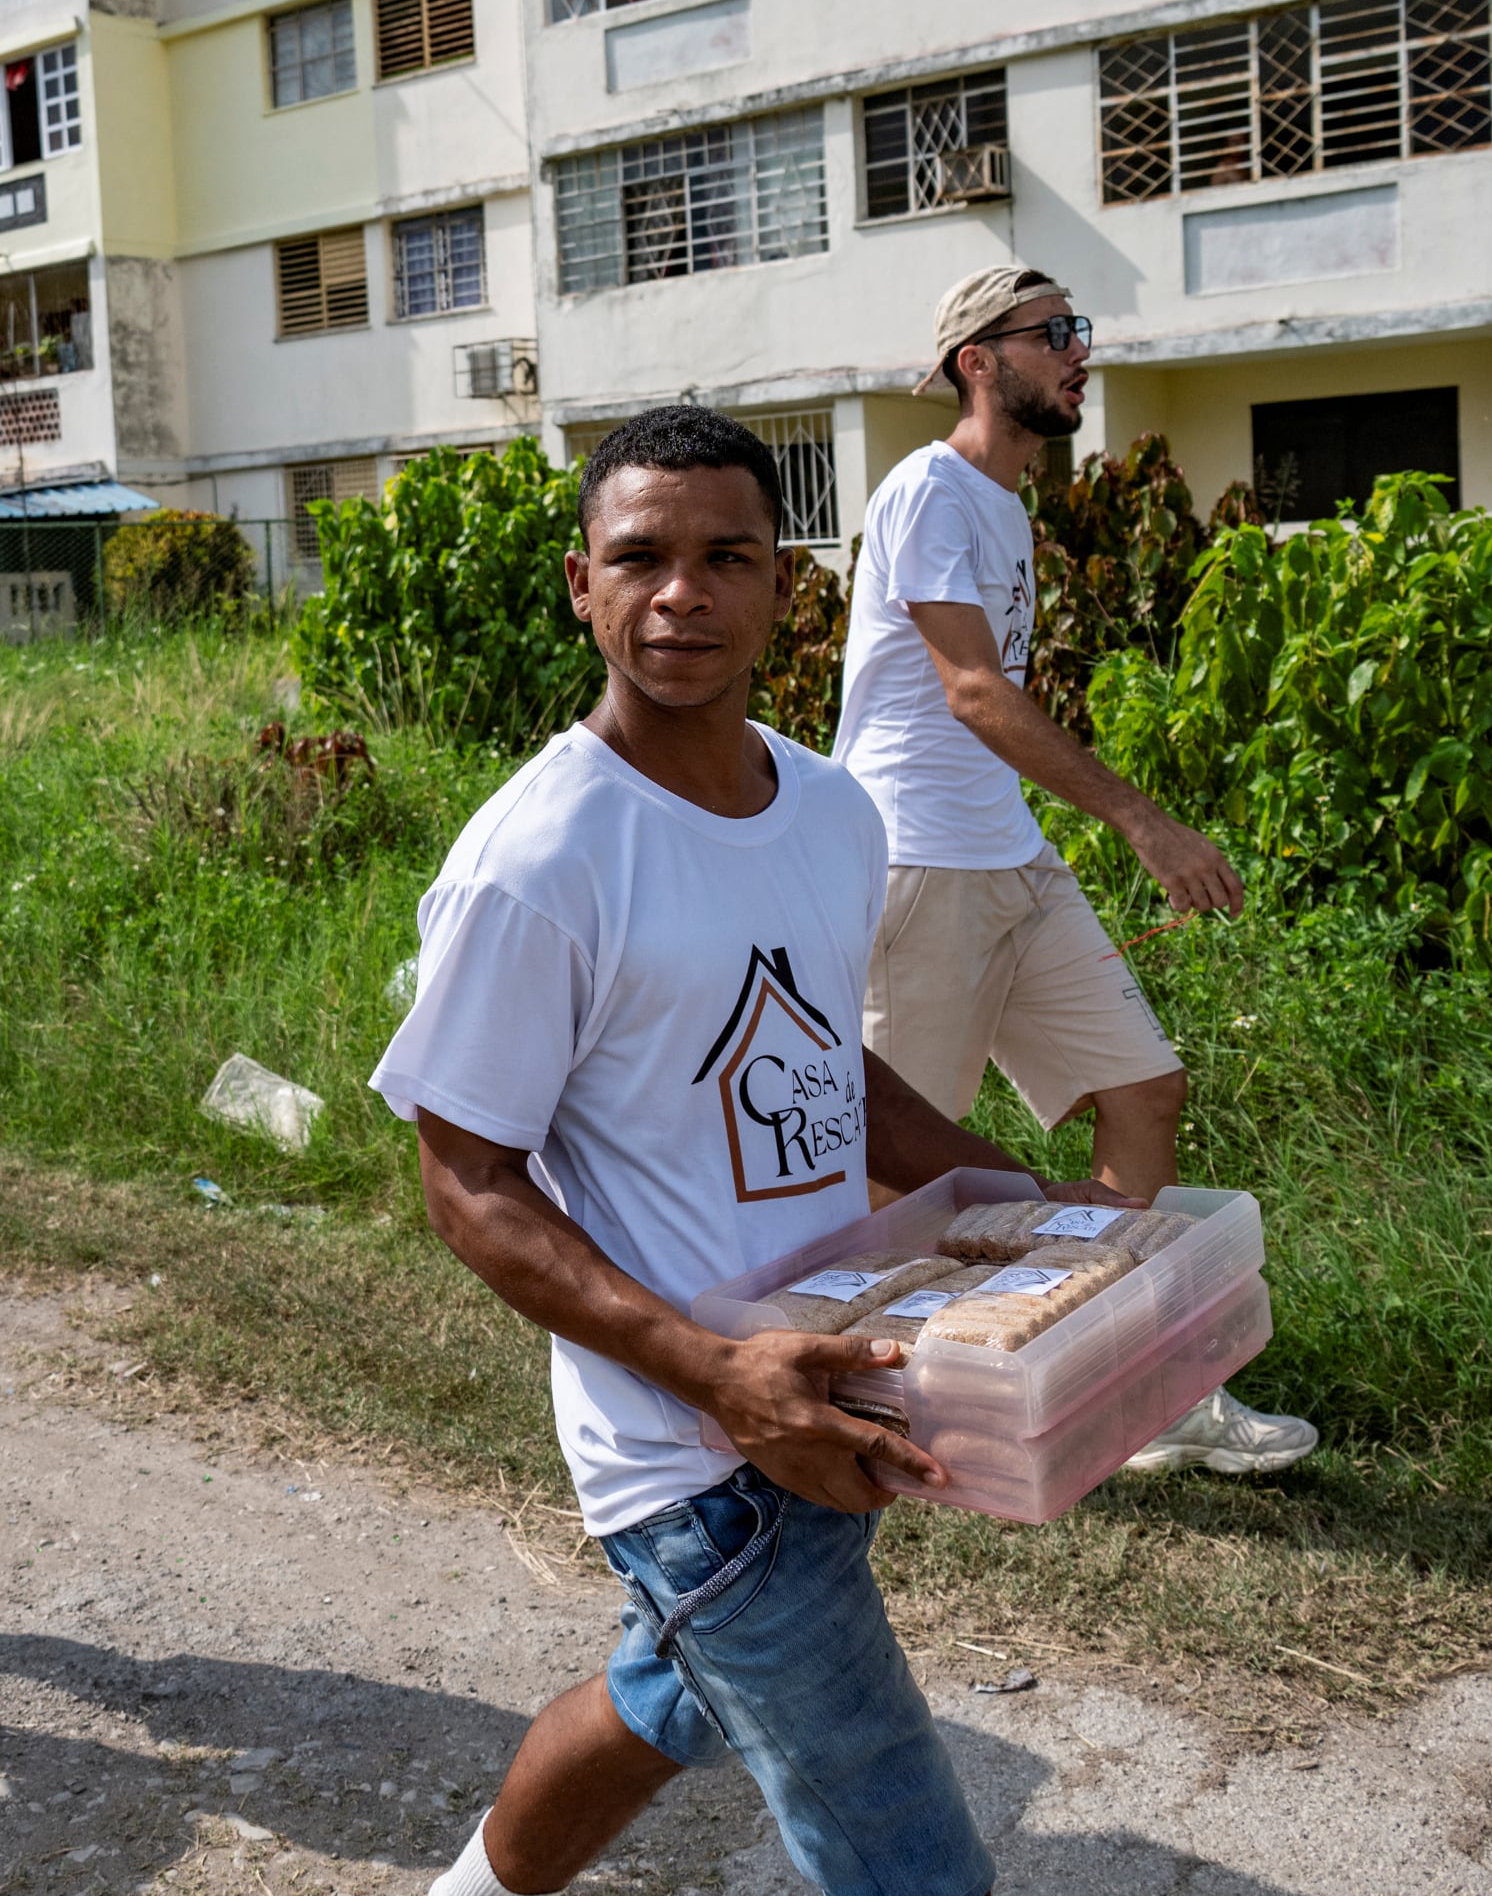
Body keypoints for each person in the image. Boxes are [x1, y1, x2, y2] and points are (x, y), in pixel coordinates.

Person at [381, 405, 1136, 1896]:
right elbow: (467, 1181)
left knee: (670, 1694)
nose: (684, 593)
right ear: (581, 588)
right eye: (640, 557)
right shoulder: (539, 860)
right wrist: (715, 1371)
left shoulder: (837, 813)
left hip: (831, 1369)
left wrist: (1017, 1202)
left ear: (785, 582)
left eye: (728, 554)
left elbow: (817, 1060)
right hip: (693, 1440)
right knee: (895, 1828)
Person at [829, 264, 1314, 1478]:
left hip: (1010, 856)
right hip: (920, 864)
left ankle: (1126, 1386)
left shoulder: (1002, 503)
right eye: (1053, 334)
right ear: (975, 362)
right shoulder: (933, 488)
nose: (1077, 352)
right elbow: (974, 690)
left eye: (1077, 329)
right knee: (904, 1172)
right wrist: (1148, 825)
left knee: (1142, 1090)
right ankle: (891, 1416)